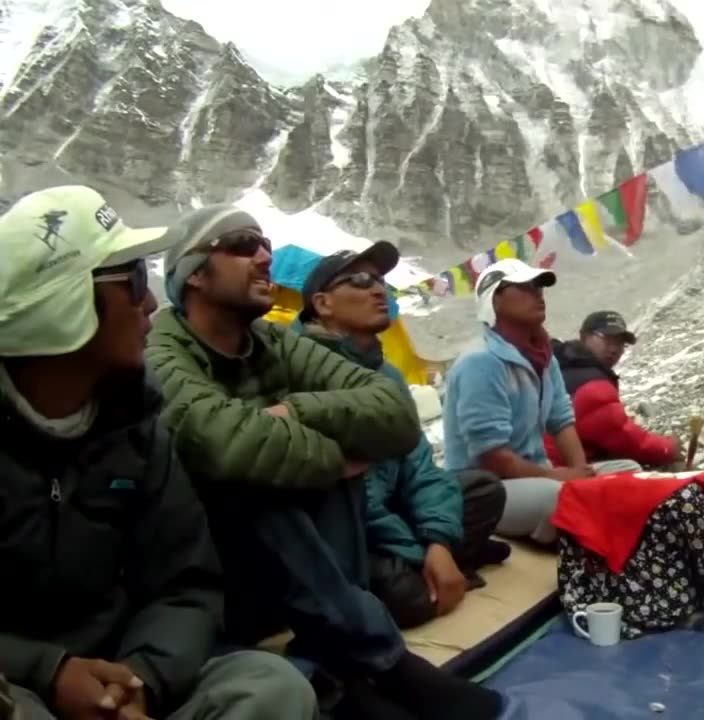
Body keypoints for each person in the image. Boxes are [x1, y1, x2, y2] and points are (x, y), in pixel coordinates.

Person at [145, 205, 503, 720]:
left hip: (300, 558)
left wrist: (295, 410)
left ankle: (340, 665)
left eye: (264, 243)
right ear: (194, 274)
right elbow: (224, 445)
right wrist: (334, 458)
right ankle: (381, 655)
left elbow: (394, 412)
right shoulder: (164, 350)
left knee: (316, 474)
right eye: (244, 244)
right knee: (253, 483)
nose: (265, 256)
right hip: (218, 570)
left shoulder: (270, 341)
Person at [0, 187, 316, 720]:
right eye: (133, 282)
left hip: (123, 675)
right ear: (64, 305)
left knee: (270, 684)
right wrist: (49, 672)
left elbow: (185, 582)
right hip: (19, 685)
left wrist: (142, 681)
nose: (149, 303)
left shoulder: (137, 427)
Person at [296, 244, 510, 628]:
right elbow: (355, 500)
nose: (380, 291)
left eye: (381, 281)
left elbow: (420, 465)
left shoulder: (389, 376)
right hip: (350, 530)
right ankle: (441, 569)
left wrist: (438, 544)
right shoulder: (303, 375)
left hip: (399, 515)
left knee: (484, 489)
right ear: (323, 303)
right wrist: (421, 549)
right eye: (361, 281)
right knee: (402, 596)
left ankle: (441, 564)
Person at [442, 259, 641, 545]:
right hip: (486, 488)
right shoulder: (481, 362)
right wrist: (559, 478)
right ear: (494, 299)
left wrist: (580, 473)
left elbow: (561, 419)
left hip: (537, 475)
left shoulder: (543, 357)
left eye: (538, 286)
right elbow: (492, 456)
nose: (538, 293)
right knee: (555, 497)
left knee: (628, 471)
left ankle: (584, 526)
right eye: (525, 286)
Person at [543, 311, 679, 468]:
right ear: (584, 336)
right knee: (631, 467)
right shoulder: (592, 386)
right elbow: (629, 441)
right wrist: (669, 448)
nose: (614, 349)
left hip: (538, 460)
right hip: (557, 468)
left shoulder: (562, 360)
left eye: (620, 343)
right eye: (607, 339)